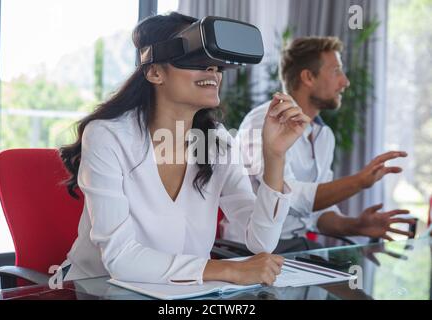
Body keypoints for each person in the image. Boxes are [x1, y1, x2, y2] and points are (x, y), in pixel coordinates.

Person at [58, 12, 311, 286]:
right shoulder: (108, 136)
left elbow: (261, 241)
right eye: (198, 61)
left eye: (217, 65)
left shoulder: (218, 142)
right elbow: (120, 259)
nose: (213, 71)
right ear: (155, 72)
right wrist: (229, 270)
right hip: (95, 289)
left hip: (179, 294)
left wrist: (275, 157)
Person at [223, 36, 415, 253]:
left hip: (294, 248)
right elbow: (290, 197)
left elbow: (316, 214)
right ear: (308, 77)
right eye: (336, 71)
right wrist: (359, 182)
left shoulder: (324, 136)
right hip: (247, 249)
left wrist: (356, 225)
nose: (345, 82)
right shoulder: (263, 122)